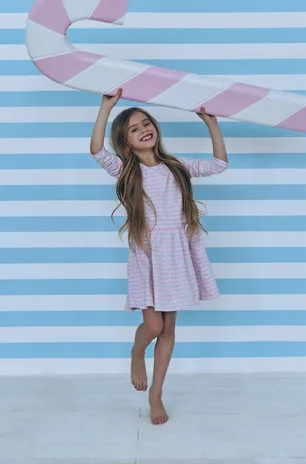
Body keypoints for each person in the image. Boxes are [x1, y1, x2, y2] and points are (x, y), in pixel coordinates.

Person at [90, 89, 228, 425]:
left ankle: (156, 394)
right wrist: (106, 107)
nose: (143, 129)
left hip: (177, 255)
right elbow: (96, 150)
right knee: (153, 324)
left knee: (168, 329)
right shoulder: (126, 169)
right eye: (134, 129)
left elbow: (219, 164)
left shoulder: (176, 166)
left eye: (146, 123)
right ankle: (137, 352)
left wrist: (211, 124)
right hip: (149, 253)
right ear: (126, 143)